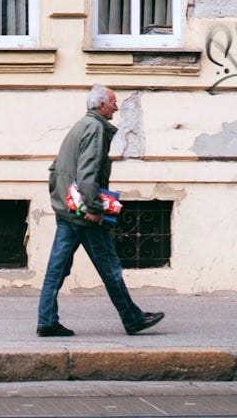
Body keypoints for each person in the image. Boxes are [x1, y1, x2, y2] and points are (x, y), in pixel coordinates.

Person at [36, 84, 164, 337]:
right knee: (110, 267)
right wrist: (94, 208)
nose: (116, 107)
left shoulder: (80, 126)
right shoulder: (95, 128)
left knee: (56, 269)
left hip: (68, 210)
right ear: (102, 105)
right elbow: (88, 173)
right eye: (113, 102)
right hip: (85, 215)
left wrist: (64, 201)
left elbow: (56, 168)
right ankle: (133, 319)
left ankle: (47, 320)